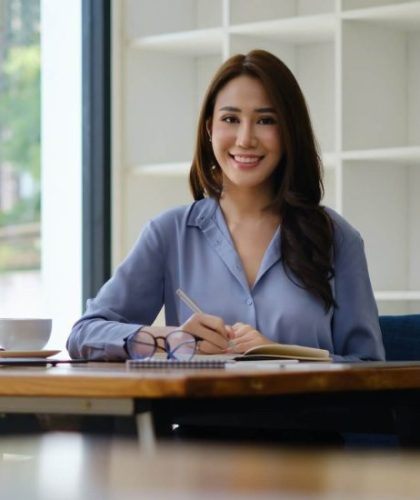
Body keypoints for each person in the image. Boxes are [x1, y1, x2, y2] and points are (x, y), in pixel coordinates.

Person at [67, 49, 385, 362]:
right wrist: (169, 340)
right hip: (199, 415)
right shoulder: (170, 234)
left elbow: (371, 369)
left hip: (307, 414)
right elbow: (84, 333)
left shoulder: (336, 238)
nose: (245, 138)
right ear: (209, 129)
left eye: (265, 120)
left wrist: (277, 356)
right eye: (231, 119)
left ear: (289, 133)